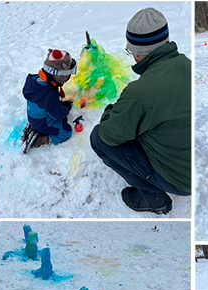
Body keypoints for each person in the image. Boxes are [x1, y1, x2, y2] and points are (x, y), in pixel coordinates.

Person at [90, 7, 191, 215]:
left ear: (137, 52)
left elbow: (109, 133)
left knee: (98, 138)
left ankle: (154, 198)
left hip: (180, 180)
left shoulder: (139, 93)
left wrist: (113, 110)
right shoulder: (188, 65)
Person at [21, 49, 77, 153]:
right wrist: (66, 109)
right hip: (42, 122)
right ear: (61, 76)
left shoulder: (35, 80)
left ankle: (35, 127)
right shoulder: (49, 94)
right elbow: (58, 115)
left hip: (33, 116)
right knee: (66, 131)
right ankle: (40, 139)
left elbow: (45, 102)